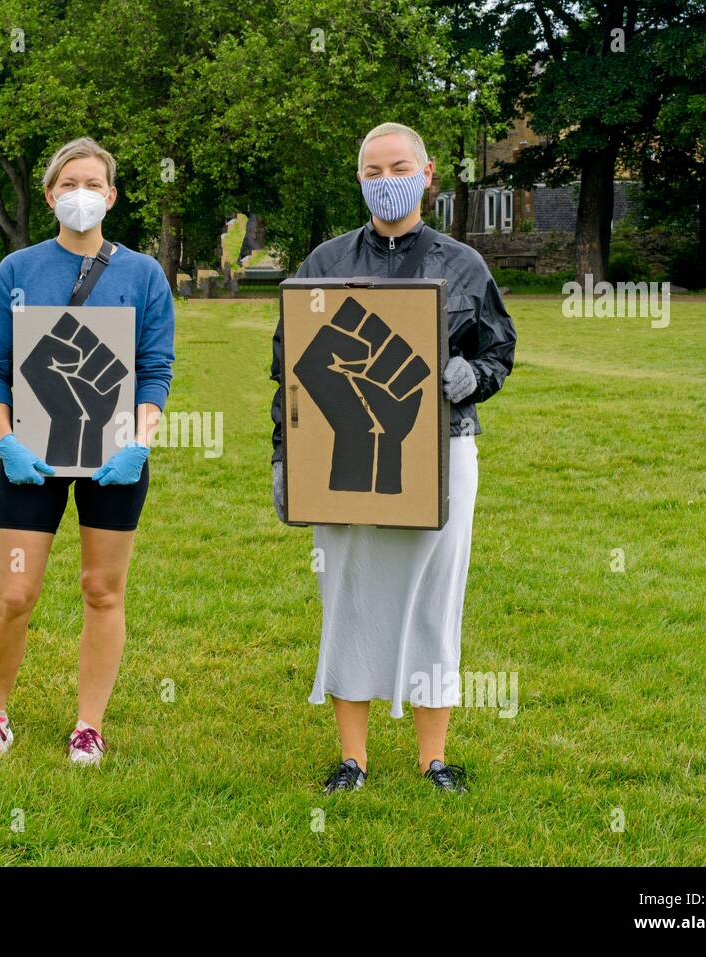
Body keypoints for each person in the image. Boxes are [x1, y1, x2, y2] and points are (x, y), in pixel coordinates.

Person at [270, 122, 516, 795]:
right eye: (372, 170)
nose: (386, 181)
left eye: (398, 167)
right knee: (346, 595)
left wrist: (471, 376)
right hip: (340, 458)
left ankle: (433, 758)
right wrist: (285, 457)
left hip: (442, 454)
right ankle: (353, 758)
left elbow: (497, 350)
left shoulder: (463, 263)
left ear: (428, 172)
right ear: (358, 179)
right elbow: (288, 365)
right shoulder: (322, 263)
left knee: (437, 599)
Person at [0, 137, 175, 766]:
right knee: (14, 592)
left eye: (93, 184)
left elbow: (155, 369)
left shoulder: (142, 274)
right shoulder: (17, 270)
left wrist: (140, 445)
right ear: (50, 193)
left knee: (102, 590)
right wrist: (4, 438)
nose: (80, 195)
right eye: (69, 184)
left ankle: (89, 724)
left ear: (111, 196)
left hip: (114, 456)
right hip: (30, 453)